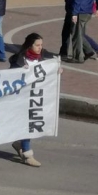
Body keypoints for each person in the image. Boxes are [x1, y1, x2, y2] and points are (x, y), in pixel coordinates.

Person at [9, 33, 60, 167]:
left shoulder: (45, 56)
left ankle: (21, 144)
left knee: (31, 122)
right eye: (37, 45)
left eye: (41, 45)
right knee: (28, 123)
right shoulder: (18, 59)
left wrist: (57, 69)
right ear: (29, 45)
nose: (40, 48)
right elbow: (10, 77)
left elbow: (53, 66)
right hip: (22, 98)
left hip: (37, 97)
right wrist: (19, 71)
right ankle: (27, 153)